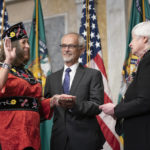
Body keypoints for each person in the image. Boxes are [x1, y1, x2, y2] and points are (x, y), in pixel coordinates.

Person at [0, 22, 70, 150]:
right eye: (24, 43)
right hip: (10, 136)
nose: (28, 46)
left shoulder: (27, 73)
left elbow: (35, 104)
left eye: (28, 43)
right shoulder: (3, 68)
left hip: (32, 135)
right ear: (13, 46)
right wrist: (8, 61)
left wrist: (54, 100)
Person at [44, 32, 105, 150]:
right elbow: (46, 105)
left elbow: (97, 105)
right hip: (59, 141)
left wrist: (74, 105)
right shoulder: (52, 78)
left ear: (81, 50)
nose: (66, 49)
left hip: (86, 140)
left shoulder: (93, 75)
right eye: (63, 46)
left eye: (71, 46)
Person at [100, 21, 150, 150]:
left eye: (133, 39)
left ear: (144, 39)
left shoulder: (148, 61)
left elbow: (145, 101)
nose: (130, 43)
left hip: (143, 136)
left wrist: (116, 110)